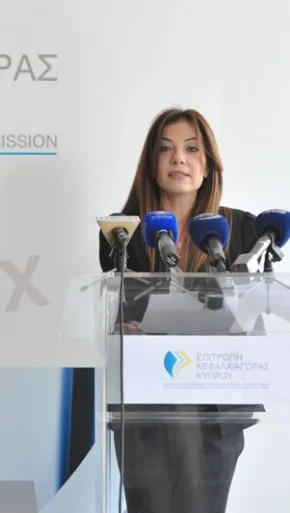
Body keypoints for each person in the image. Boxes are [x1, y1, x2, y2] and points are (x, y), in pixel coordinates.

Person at [98, 108, 258, 513]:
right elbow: (119, 310)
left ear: (209, 164)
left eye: (191, 149)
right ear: (151, 163)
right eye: (165, 149)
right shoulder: (123, 231)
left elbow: (250, 312)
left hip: (216, 406)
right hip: (145, 404)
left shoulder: (242, 229)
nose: (178, 159)